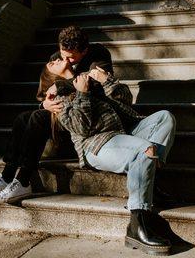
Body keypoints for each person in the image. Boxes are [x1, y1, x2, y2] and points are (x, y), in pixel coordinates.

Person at [39, 61, 176, 255]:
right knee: (144, 149)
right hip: (98, 145)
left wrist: (106, 80)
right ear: (51, 78)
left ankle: (149, 180)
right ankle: (137, 225)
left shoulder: (87, 79)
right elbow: (82, 128)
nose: (55, 60)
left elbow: (125, 99)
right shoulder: (57, 97)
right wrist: (82, 94)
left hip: (125, 132)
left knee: (165, 117)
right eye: (52, 64)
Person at [0, 26, 118, 201]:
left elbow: (94, 89)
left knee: (38, 118)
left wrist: (66, 75)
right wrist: (44, 103)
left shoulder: (99, 56)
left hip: (87, 116)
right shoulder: (56, 58)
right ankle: (7, 176)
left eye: (72, 57)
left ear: (85, 50)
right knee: (22, 118)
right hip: (60, 113)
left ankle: (23, 181)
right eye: (63, 54)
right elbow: (42, 93)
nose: (66, 60)